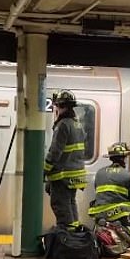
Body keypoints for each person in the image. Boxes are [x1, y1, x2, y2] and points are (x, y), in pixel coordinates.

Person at [44, 89, 87, 229]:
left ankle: (67, 238)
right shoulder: (77, 124)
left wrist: (45, 170)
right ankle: (75, 233)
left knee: (61, 206)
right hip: (75, 174)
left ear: (59, 106)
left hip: (63, 175)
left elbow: (55, 151)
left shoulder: (62, 125)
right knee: (70, 203)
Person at [89, 142, 130, 239]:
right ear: (123, 158)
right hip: (119, 215)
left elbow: (97, 190)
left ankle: (103, 228)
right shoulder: (126, 175)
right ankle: (122, 229)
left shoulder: (99, 173)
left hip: (100, 214)